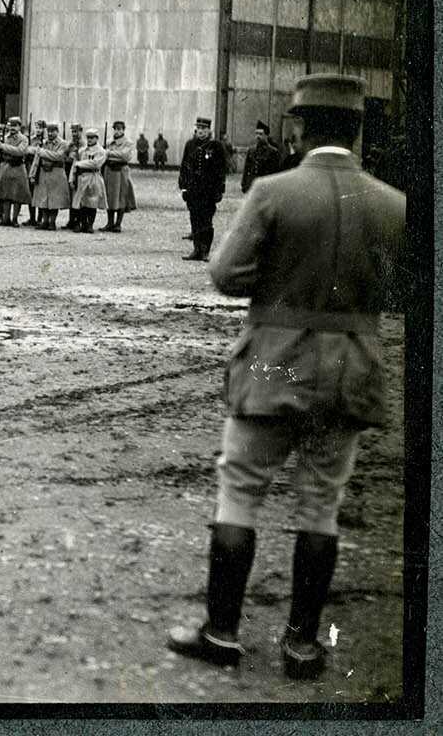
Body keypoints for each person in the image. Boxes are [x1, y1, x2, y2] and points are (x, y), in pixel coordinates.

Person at [167, 74, 405, 681]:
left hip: (274, 363)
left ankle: (221, 632)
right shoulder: (394, 202)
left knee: (240, 489)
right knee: (322, 504)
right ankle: (302, 645)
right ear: (357, 130)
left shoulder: (274, 190)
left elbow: (225, 274)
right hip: (352, 367)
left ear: (298, 128)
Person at [178, 117, 228, 261]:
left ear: (209, 130)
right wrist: (183, 187)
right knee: (194, 218)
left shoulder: (216, 146)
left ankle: (205, 250)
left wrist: (219, 190)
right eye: (198, 128)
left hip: (208, 190)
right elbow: (184, 167)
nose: (200, 131)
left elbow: (221, 169)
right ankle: (196, 249)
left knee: (206, 220)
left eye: (204, 129)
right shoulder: (190, 145)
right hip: (193, 188)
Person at [0, 116, 32, 226]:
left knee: (17, 195)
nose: (12, 128)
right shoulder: (4, 137)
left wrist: (4, 147)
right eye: (11, 125)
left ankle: (14, 219)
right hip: (6, 167)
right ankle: (6, 218)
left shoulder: (24, 139)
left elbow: (20, 151)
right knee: (5, 195)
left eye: (15, 125)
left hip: (18, 167)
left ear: (19, 126)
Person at [31, 122, 72, 229]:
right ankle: (45, 221)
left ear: (57, 132)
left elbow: (58, 156)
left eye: (52, 131)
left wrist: (43, 152)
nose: (50, 134)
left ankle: (52, 222)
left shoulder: (63, 143)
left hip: (56, 172)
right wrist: (33, 173)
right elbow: (37, 158)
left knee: (55, 199)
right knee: (43, 198)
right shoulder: (44, 143)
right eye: (48, 131)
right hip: (44, 172)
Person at [101, 120, 138, 233]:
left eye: (119, 129)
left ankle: (118, 224)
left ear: (123, 130)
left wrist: (109, 153)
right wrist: (109, 154)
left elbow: (125, 156)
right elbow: (104, 156)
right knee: (110, 197)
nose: (117, 131)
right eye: (115, 129)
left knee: (121, 197)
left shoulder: (128, 142)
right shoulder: (108, 142)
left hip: (121, 172)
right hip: (109, 171)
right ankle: (110, 223)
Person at [69, 127, 108, 233]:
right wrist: (71, 178)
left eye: (92, 138)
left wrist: (80, 163)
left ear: (97, 138)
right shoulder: (82, 150)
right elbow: (74, 165)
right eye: (88, 137)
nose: (90, 140)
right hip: (82, 177)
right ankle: (83, 223)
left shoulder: (101, 151)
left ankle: (90, 224)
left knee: (92, 201)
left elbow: (96, 163)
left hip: (93, 177)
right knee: (82, 202)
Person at [241, 120, 283, 192]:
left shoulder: (273, 152)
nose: (258, 136)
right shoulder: (251, 150)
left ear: (266, 135)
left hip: (266, 187)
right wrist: (244, 184)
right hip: (252, 186)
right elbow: (246, 169)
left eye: (260, 134)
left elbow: (276, 172)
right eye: (256, 133)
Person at [61, 123, 84, 229]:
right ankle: (71, 220)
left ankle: (78, 222)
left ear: (81, 131)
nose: (74, 134)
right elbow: (64, 155)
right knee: (71, 196)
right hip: (68, 168)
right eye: (73, 132)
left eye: (76, 131)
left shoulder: (83, 144)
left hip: (79, 170)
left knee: (77, 197)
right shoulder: (70, 144)